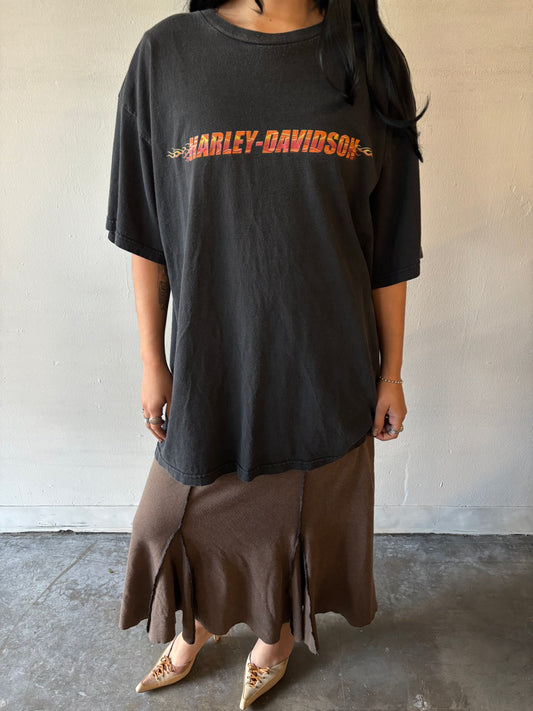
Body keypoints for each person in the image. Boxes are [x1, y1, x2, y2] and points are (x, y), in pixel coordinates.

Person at [105, 0, 428, 707]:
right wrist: (152, 360)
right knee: (166, 518)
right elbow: (145, 231)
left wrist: (392, 372)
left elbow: (391, 246)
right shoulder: (167, 56)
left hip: (327, 359)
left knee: (295, 523)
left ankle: (275, 636)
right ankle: (197, 625)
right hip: (212, 359)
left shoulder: (369, 61)